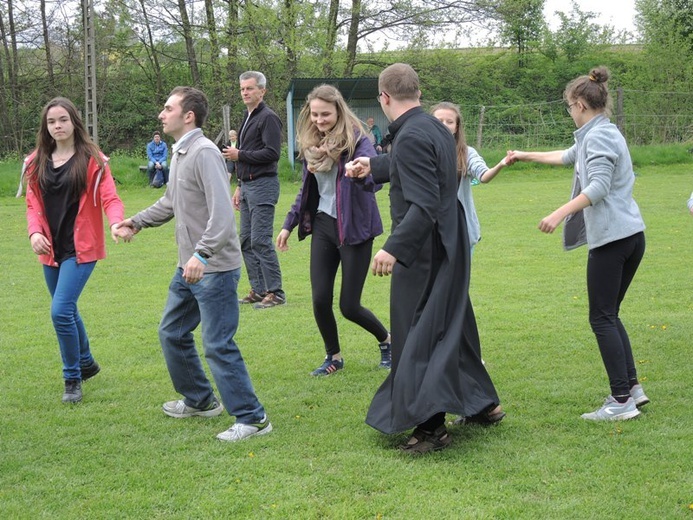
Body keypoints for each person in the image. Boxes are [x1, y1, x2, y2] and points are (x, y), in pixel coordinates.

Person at [346, 63, 503, 454]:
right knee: (453, 324)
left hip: (426, 249)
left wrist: (394, 247)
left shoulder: (414, 134)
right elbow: (426, 170)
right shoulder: (432, 126)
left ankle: (431, 428)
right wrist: (375, 166)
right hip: (449, 241)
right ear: (417, 92)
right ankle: (482, 404)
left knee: (416, 330)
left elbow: (424, 203)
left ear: (384, 98)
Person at [115, 87, 272, 442]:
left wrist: (202, 254)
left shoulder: (203, 153)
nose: (161, 114)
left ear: (188, 116)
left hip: (212, 268)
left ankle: (253, 418)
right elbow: (171, 201)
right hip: (188, 267)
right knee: (172, 332)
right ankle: (201, 401)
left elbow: (222, 214)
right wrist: (135, 221)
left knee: (218, 344)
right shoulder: (181, 152)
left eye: (167, 108)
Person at [507, 66, 648, 421]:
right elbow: (568, 156)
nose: (569, 111)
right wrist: (525, 155)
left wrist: (558, 214)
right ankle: (631, 389)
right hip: (630, 235)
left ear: (581, 104)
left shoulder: (598, 138)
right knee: (609, 315)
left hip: (613, 240)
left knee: (601, 317)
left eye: (569, 105)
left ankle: (620, 402)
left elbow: (597, 187)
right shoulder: (599, 133)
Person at [276, 84, 391, 376]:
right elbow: (306, 189)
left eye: (325, 114)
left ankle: (388, 340)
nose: (319, 120)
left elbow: (375, 179)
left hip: (355, 227)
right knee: (319, 298)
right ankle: (334, 357)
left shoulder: (357, 140)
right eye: (314, 114)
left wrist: (359, 174)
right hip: (324, 224)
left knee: (349, 306)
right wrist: (289, 224)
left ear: (338, 111)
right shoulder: (312, 143)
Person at [22, 96, 129, 404]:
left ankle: (72, 378)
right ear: (46, 126)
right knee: (67, 309)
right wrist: (33, 233)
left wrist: (116, 223)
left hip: (82, 248)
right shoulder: (35, 161)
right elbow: (32, 205)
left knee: (60, 311)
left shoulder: (92, 159)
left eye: (63, 120)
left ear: (74, 122)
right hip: (49, 248)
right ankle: (86, 361)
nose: (57, 126)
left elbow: (110, 198)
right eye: (51, 121)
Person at [222, 71, 286, 309]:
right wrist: (239, 186)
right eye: (242, 89)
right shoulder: (247, 117)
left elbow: (272, 153)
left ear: (262, 91)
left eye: (250, 88)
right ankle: (259, 290)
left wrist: (240, 155)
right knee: (246, 240)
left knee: (260, 239)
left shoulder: (268, 117)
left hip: (263, 185)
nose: (245, 93)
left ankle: (276, 292)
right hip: (247, 185)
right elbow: (248, 155)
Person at [430, 102, 510, 253]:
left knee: (458, 278)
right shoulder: (421, 152)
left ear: (457, 127)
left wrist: (501, 164)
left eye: (450, 121)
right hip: (429, 235)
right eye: (439, 121)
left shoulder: (466, 153)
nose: (444, 125)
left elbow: (484, 176)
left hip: (461, 235)